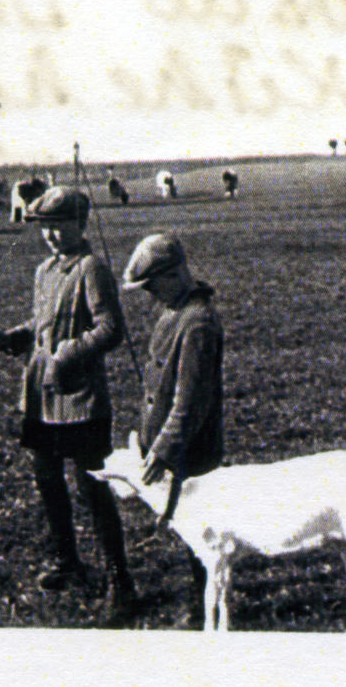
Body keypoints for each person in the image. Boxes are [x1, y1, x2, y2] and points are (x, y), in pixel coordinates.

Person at [0, 186, 137, 627]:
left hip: (81, 400)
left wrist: (68, 353)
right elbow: (43, 324)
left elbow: (111, 329)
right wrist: (15, 337)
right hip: (39, 395)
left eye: (59, 227)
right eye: (45, 228)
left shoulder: (92, 268)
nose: (51, 236)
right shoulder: (45, 271)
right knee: (48, 482)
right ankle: (68, 562)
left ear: (79, 225)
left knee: (93, 490)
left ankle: (119, 580)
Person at [122, 233, 224, 624]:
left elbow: (190, 403)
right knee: (188, 531)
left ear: (176, 274)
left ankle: (205, 611)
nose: (150, 295)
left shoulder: (197, 323)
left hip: (193, 453)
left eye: (152, 286)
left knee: (203, 535)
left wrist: (164, 448)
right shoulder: (175, 312)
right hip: (175, 448)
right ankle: (204, 605)